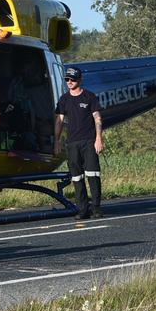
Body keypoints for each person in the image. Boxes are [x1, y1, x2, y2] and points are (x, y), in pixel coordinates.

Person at [53, 66, 104, 219]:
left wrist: (98, 139)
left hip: (89, 141)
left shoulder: (89, 97)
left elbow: (98, 118)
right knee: (77, 177)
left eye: (72, 79)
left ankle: (96, 207)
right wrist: (56, 141)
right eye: (67, 79)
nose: (69, 82)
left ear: (80, 80)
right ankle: (82, 208)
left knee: (93, 174)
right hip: (72, 143)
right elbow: (59, 121)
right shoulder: (64, 99)